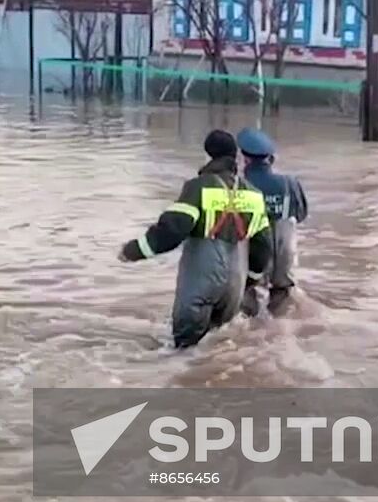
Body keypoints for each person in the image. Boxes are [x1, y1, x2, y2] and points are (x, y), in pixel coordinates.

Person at [118, 130, 273, 348]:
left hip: (201, 284)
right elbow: (263, 247)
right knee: (219, 347)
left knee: (183, 353)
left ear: (208, 155)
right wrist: (252, 279)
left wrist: (133, 250)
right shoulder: (255, 196)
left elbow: (172, 230)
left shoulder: (198, 187)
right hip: (234, 288)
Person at [235, 127, 309, 316]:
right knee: (282, 309)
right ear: (270, 159)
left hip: (253, 259)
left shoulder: (239, 186)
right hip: (283, 258)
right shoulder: (289, 183)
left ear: (246, 159)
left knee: (247, 306)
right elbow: (301, 215)